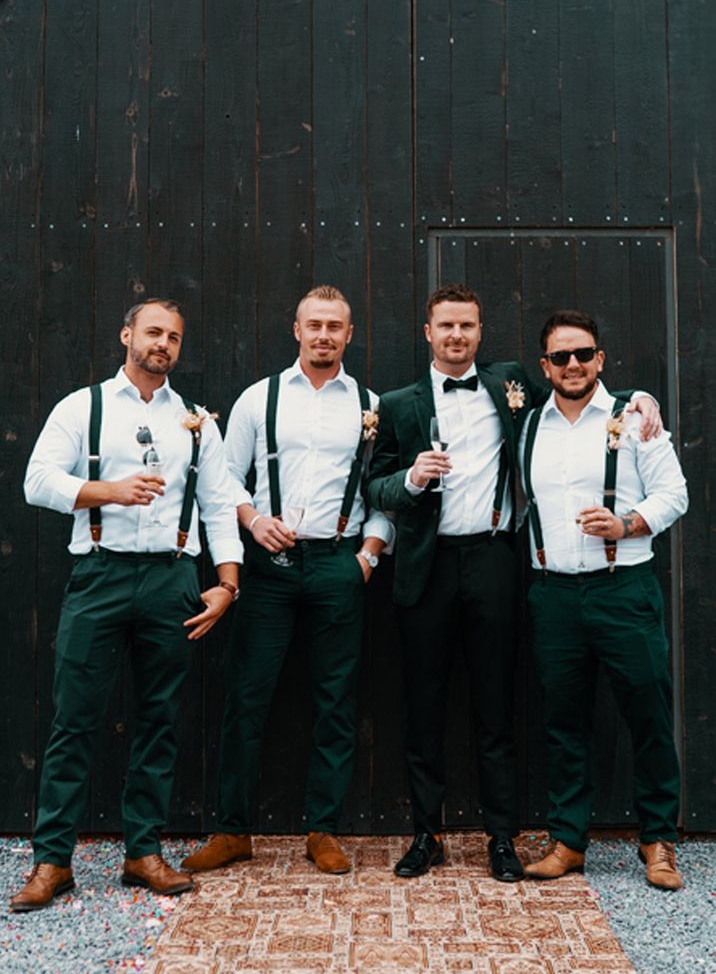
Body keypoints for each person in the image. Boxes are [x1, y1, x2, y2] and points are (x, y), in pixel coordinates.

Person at [366, 283, 660, 881]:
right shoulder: (398, 403)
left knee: (496, 704)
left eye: (467, 327)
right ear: (428, 333)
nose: (456, 336)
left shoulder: (511, 384)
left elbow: (583, 384)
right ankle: (428, 834)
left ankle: (501, 837)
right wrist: (413, 481)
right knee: (423, 705)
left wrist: (641, 396)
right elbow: (374, 486)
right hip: (425, 566)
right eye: (445, 326)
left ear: (480, 332)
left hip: (496, 560)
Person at [10, 300, 241, 913]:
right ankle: (52, 861)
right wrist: (107, 490)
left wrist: (226, 584)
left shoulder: (196, 420)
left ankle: (143, 852)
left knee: (160, 720)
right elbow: (36, 480)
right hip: (99, 574)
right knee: (73, 722)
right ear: (127, 336)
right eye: (153, 332)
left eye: (174, 336)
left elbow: (219, 505)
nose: (163, 343)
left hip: (172, 580)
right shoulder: (82, 407)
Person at [182, 285, 393, 876]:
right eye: (314, 324)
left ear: (350, 334)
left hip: (338, 563)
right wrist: (253, 522)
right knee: (248, 696)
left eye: (335, 325)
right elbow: (223, 482)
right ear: (295, 329)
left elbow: (385, 492)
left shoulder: (372, 405)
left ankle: (322, 829)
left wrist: (368, 555)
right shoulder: (258, 399)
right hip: (270, 567)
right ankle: (232, 830)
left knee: (335, 698)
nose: (324, 334)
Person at [521, 310, 687, 890]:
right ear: (544, 366)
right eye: (561, 357)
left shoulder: (634, 418)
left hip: (623, 590)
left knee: (648, 714)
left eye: (583, 354)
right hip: (553, 594)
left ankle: (658, 840)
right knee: (564, 721)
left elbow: (675, 493)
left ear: (601, 359)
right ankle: (568, 841)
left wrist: (629, 523)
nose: (573, 365)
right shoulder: (526, 425)